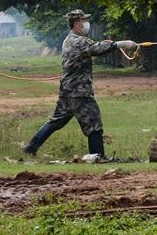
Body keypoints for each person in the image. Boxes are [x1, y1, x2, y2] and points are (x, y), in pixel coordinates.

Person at [23, 9, 136, 161]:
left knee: (56, 121)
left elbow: (94, 46)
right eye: (84, 21)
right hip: (79, 90)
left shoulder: (68, 40)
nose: (86, 24)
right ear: (76, 24)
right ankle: (98, 157)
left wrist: (114, 44)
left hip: (68, 90)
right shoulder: (79, 41)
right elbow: (97, 48)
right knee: (94, 123)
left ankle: (31, 148)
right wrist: (121, 44)